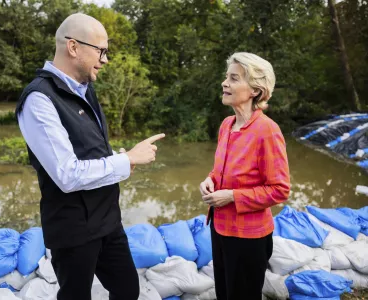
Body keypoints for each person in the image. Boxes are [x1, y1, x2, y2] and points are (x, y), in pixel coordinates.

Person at [15, 13, 164, 300]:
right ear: (73, 47)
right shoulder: (39, 99)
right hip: (73, 229)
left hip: (107, 219)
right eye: (101, 51)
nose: (105, 60)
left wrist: (119, 159)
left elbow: (88, 147)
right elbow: (67, 174)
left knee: (127, 290)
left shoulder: (85, 88)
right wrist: (127, 159)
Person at [199, 52, 290, 300]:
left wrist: (231, 196)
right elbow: (221, 170)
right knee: (224, 293)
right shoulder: (227, 125)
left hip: (249, 237)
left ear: (254, 90)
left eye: (234, 78)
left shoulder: (267, 131)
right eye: (226, 77)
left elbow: (279, 189)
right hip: (220, 228)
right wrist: (209, 180)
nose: (224, 83)